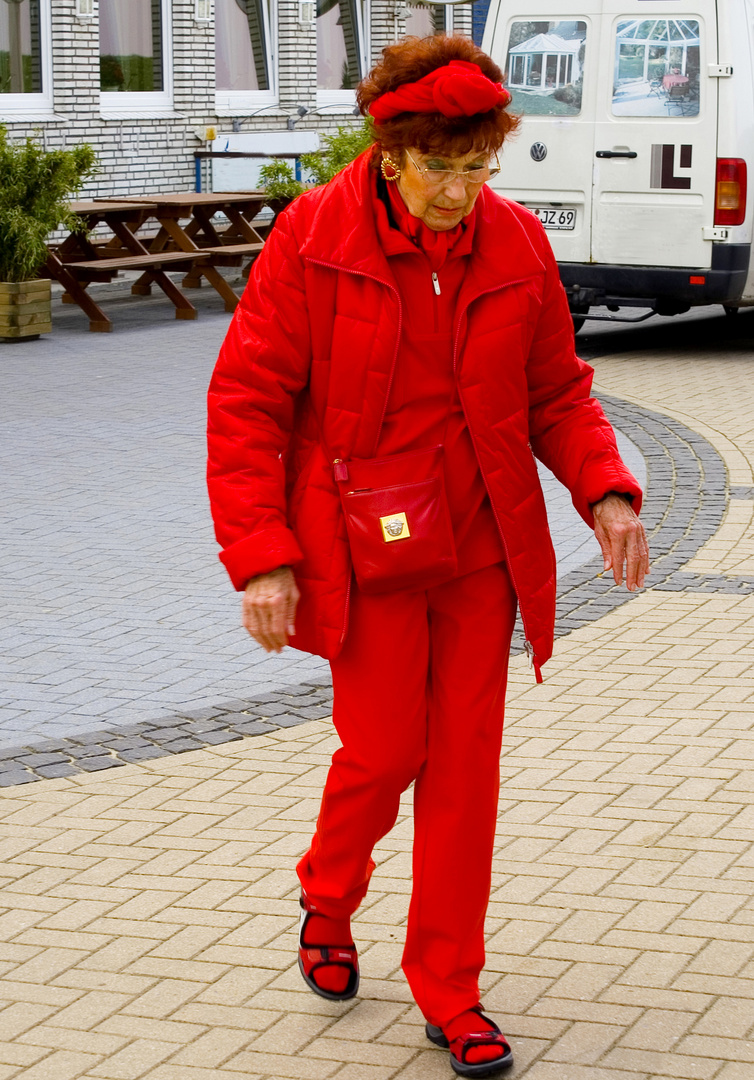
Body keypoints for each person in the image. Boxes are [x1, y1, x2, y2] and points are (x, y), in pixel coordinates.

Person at [207, 33, 649, 1079]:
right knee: (383, 749)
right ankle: (328, 890)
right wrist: (263, 556)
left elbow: (556, 390)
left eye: (477, 168)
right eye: (440, 168)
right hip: (356, 549)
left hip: (479, 547)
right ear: (391, 152)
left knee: (463, 776)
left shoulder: (514, 243)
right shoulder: (314, 236)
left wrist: (605, 487)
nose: (460, 191)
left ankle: (448, 989)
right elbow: (247, 402)